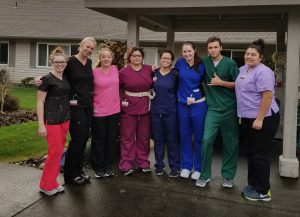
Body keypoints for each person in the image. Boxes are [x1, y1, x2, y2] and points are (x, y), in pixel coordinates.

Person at [236, 39, 279, 201]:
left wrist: (259, 119)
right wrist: (220, 83)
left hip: (263, 118)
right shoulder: (243, 69)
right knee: (252, 153)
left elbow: (267, 96)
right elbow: (238, 86)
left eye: (253, 54)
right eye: (247, 54)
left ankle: (263, 191)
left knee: (260, 154)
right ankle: (253, 184)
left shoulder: (264, 71)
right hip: (248, 118)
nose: (249, 56)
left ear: (260, 57)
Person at [196, 36, 239, 188]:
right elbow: (191, 72)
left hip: (229, 108)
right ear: (207, 49)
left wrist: (220, 83)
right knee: (207, 140)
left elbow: (238, 85)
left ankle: (228, 176)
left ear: (221, 47)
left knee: (230, 143)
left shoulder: (230, 63)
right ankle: (205, 174)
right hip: (213, 108)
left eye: (215, 47)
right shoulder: (204, 62)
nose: (213, 50)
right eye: (210, 48)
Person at [62, 37, 97, 184]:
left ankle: (78, 171)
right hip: (75, 106)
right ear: (80, 45)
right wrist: (41, 79)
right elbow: (57, 75)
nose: (89, 50)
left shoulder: (89, 62)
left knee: (84, 139)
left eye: (92, 49)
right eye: (87, 47)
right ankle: (70, 174)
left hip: (88, 104)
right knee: (78, 139)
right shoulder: (69, 62)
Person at [37, 47, 70, 195]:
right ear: (51, 62)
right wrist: (41, 125)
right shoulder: (46, 79)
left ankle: (53, 181)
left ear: (66, 63)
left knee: (58, 152)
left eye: (62, 62)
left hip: (65, 119)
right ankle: (45, 185)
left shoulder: (65, 77)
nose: (60, 64)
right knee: (54, 152)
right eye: (57, 62)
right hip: (52, 121)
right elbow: (39, 103)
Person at [175, 41, 207, 180]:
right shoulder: (179, 64)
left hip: (198, 105)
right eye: (184, 52)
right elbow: (172, 77)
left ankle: (198, 168)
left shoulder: (202, 64)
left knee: (199, 137)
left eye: (189, 51)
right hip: (182, 104)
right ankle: (187, 166)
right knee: (185, 135)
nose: (187, 54)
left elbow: (208, 83)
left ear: (194, 50)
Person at [118, 47, 153, 175]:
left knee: (144, 137)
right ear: (130, 58)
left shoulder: (149, 69)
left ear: (142, 57)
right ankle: (126, 164)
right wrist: (122, 101)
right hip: (128, 107)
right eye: (134, 56)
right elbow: (117, 88)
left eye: (139, 56)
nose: (137, 58)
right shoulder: (123, 72)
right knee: (127, 136)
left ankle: (143, 162)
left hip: (145, 106)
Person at [151, 49, 181, 177]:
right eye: (164, 58)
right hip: (156, 111)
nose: (166, 60)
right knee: (158, 140)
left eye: (168, 58)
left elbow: (179, 91)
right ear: (160, 58)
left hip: (170, 112)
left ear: (171, 61)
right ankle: (159, 165)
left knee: (172, 140)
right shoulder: (153, 73)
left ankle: (174, 167)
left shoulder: (175, 74)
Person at [91, 48, 120, 178]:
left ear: (112, 58)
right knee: (99, 140)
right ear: (100, 58)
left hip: (114, 111)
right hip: (99, 111)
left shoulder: (116, 70)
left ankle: (108, 166)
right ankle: (98, 167)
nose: (106, 59)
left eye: (108, 57)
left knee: (111, 140)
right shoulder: (94, 73)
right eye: (104, 57)